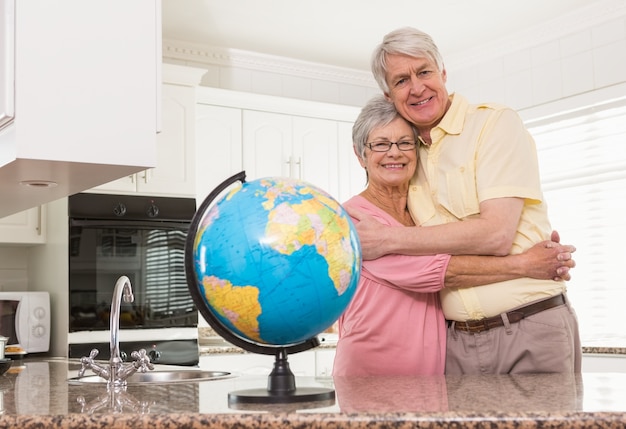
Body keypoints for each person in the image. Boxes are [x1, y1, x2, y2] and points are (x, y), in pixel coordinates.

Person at [348, 27, 581, 375]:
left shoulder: (493, 124)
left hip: (527, 324)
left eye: (424, 71)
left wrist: (388, 239)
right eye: (401, 80)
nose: (416, 87)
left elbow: (495, 234)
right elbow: (431, 268)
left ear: (442, 72)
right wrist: (523, 264)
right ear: (388, 94)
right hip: (454, 345)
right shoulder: (409, 162)